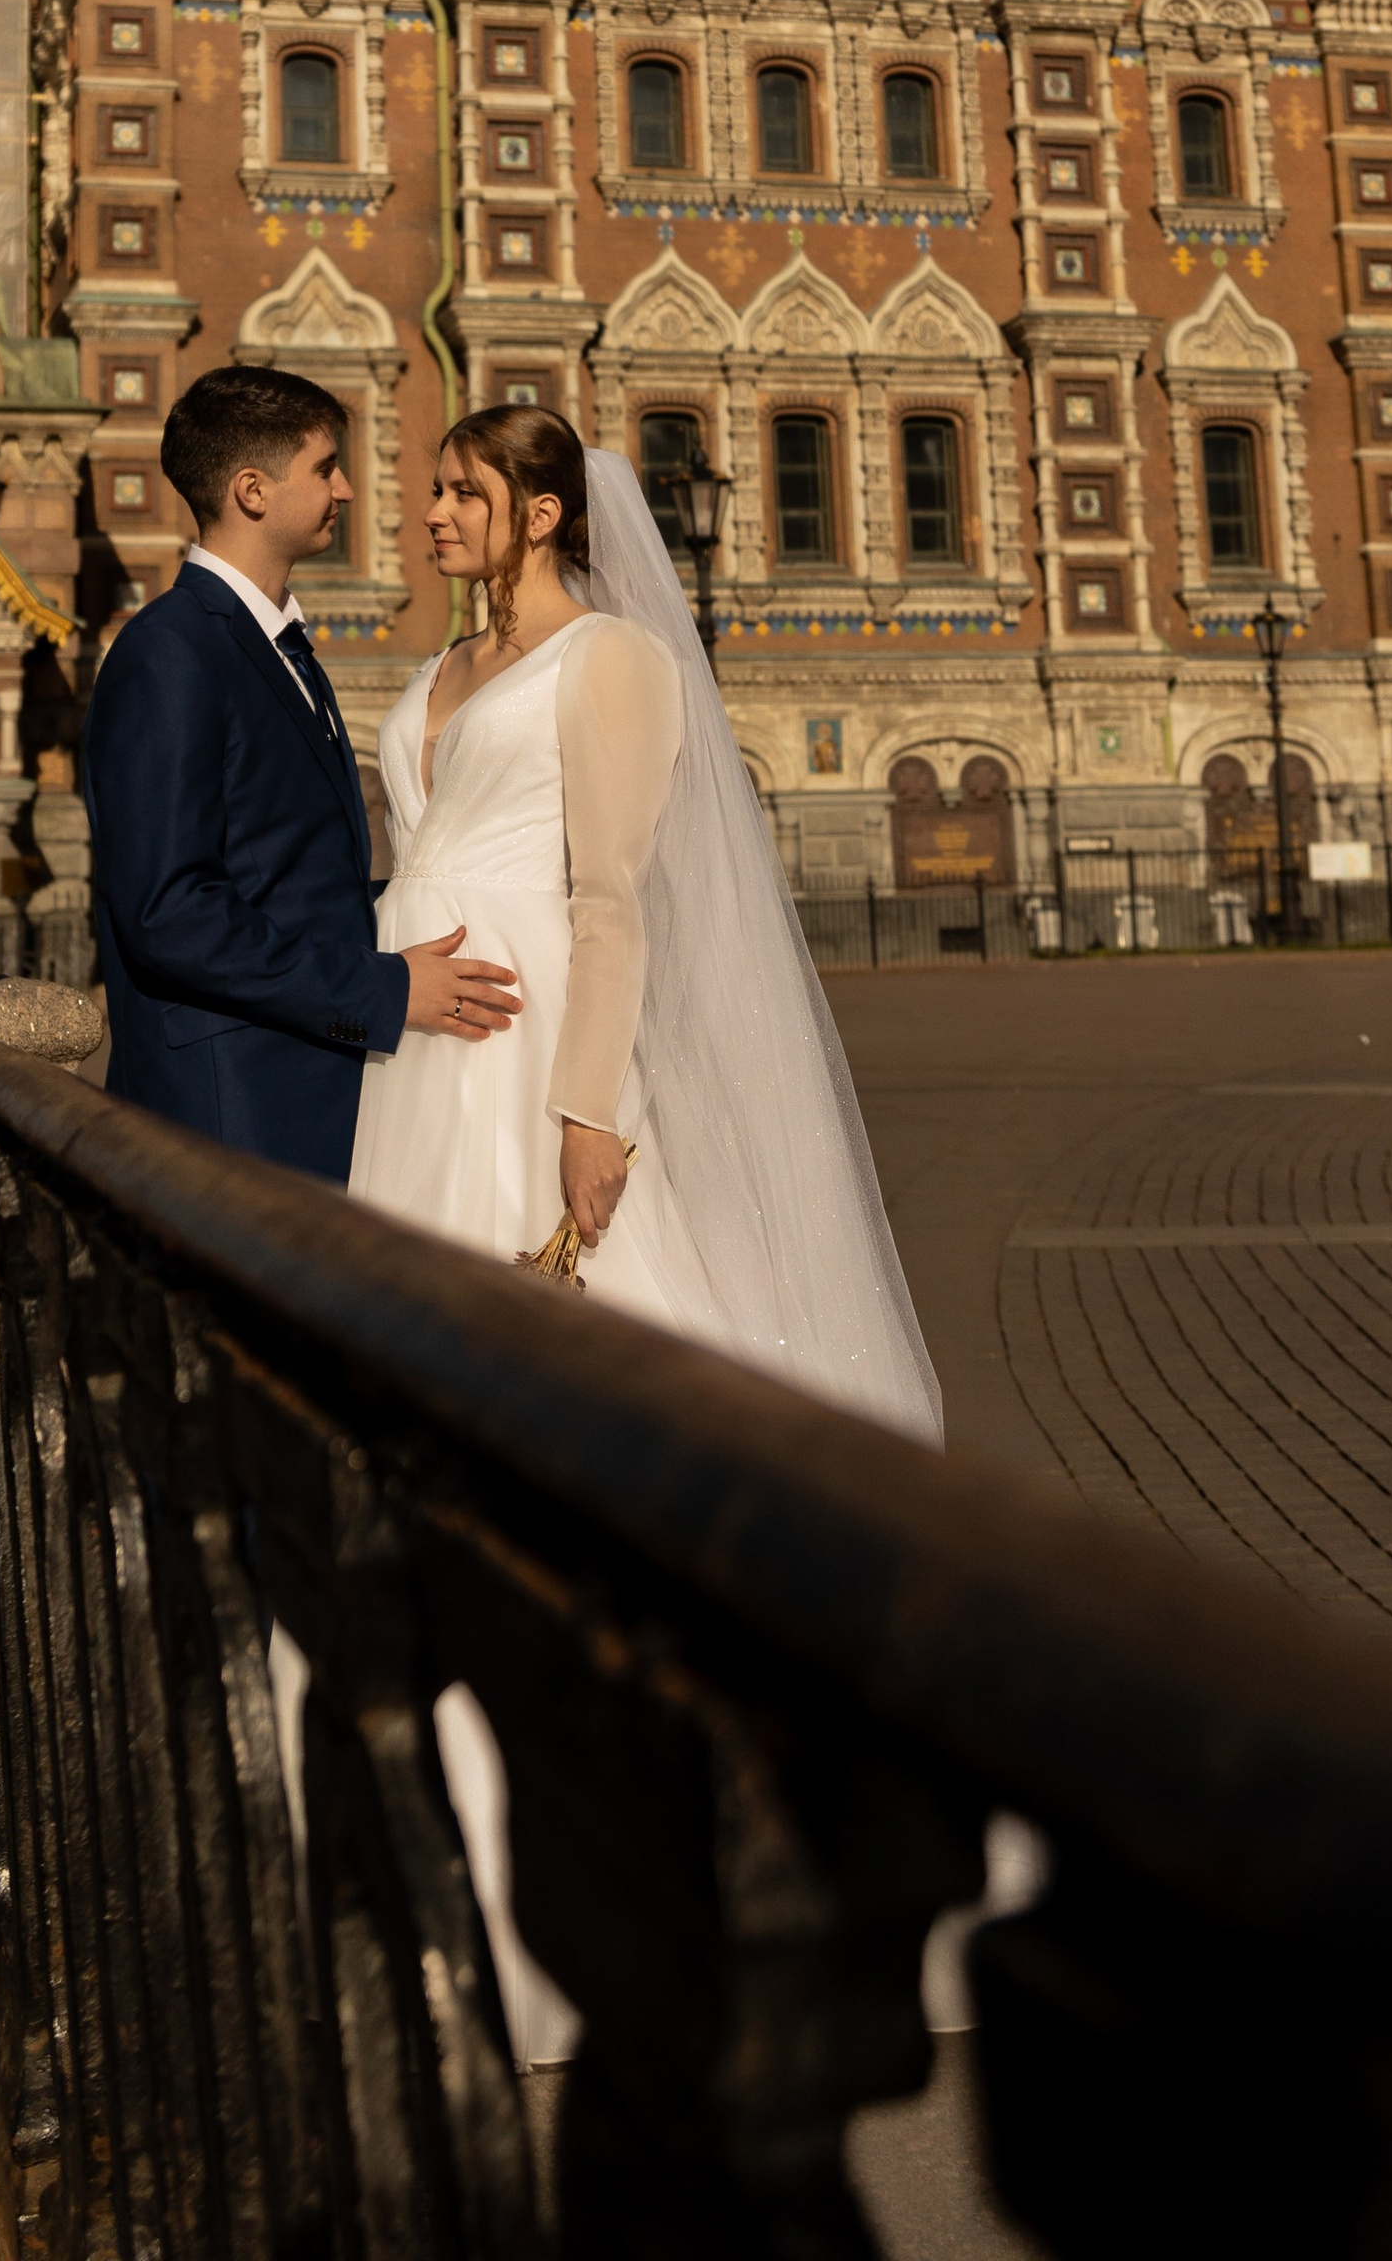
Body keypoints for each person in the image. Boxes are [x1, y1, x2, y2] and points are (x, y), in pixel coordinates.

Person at [346, 405, 941, 2066]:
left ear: (542, 510)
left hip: (534, 1053)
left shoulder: (609, 664)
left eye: (465, 492)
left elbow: (609, 897)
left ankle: (675, 1817)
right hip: (420, 1060)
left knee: (581, 1404)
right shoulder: (443, 668)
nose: (435, 513)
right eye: (435, 489)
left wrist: (590, 1109)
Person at [84, 365, 520, 1183]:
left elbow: (291, 875)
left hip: (302, 1089)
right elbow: (170, 911)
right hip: (231, 1112)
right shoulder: (169, 653)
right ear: (253, 490)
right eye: (325, 467)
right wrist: (384, 992)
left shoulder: (282, 650)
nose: (348, 489)